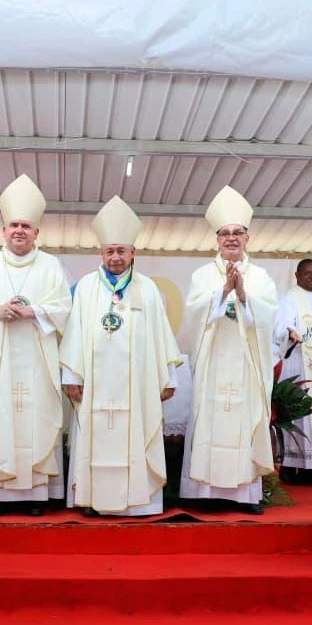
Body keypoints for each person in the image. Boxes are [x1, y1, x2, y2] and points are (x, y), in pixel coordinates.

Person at [0, 174, 72, 516]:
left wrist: (33, 311)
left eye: (26, 225)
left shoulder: (52, 267)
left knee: (37, 419)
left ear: (37, 232)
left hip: (37, 359)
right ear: (3, 231)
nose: (19, 230)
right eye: (13, 225)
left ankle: (36, 494)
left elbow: (65, 309)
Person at [60, 197, 182, 516]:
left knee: (136, 432)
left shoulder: (149, 289)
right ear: (101, 253)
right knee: (92, 434)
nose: (115, 257)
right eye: (109, 251)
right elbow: (73, 333)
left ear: (132, 253)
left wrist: (169, 377)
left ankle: (139, 501)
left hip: (137, 386)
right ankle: (90, 497)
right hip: (94, 385)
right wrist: (72, 377)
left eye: (121, 251)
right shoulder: (85, 287)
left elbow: (161, 336)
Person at [179, 186, 278, 513]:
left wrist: (245, 295)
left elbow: (268, 319)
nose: (231, 238)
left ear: (248, 238)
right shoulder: (203, 275)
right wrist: (221, 294)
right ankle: (204, 493)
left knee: (244, 422)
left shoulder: (261, 277)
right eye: (225, 234)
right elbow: (194, 317)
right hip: (213, 364)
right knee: (211, 422)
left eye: (238, 233)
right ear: (217, 239)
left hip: (247, 366)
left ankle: (246, 495)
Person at [273, 259, 312, 485]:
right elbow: (280, 326)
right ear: (297, 275)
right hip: (299, 366)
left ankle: (310, 470)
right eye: (308, 273)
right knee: (299, 417)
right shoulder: (290, 299)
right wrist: (289, 332)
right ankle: (290, 468)